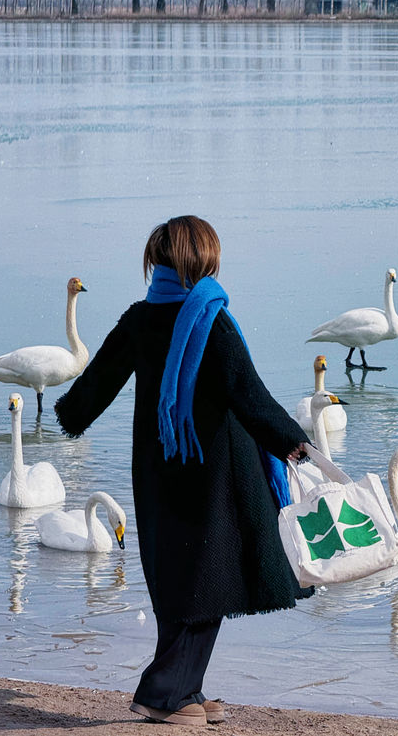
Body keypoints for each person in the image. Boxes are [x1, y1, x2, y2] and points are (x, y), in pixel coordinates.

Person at [55, 216, 311, 727]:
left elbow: (96, 382)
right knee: (210, 582)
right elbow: (248, 392)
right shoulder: (209, 317)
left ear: (159, 260)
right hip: (213, 474)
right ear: (204, 259)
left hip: (156, 470)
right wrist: (295, 443)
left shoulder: (141, 317)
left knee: (182, 582)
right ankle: (162, 693)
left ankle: (186, 688)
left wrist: (67, 416)